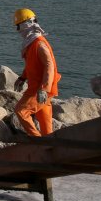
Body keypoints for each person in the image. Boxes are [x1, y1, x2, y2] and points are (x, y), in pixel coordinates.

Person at [12, 8, 61, 137]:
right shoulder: (31, 43)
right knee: (45, 122)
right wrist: (23, 78)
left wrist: (44, 89)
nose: (18, 30)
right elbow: (32, 64)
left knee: (21, 111)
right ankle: (49, 143)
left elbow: (49, 66)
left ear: (26, 24)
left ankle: (37, 141)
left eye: (18, 26)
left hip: (39, 90)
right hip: (39, 88)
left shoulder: (39, 44)